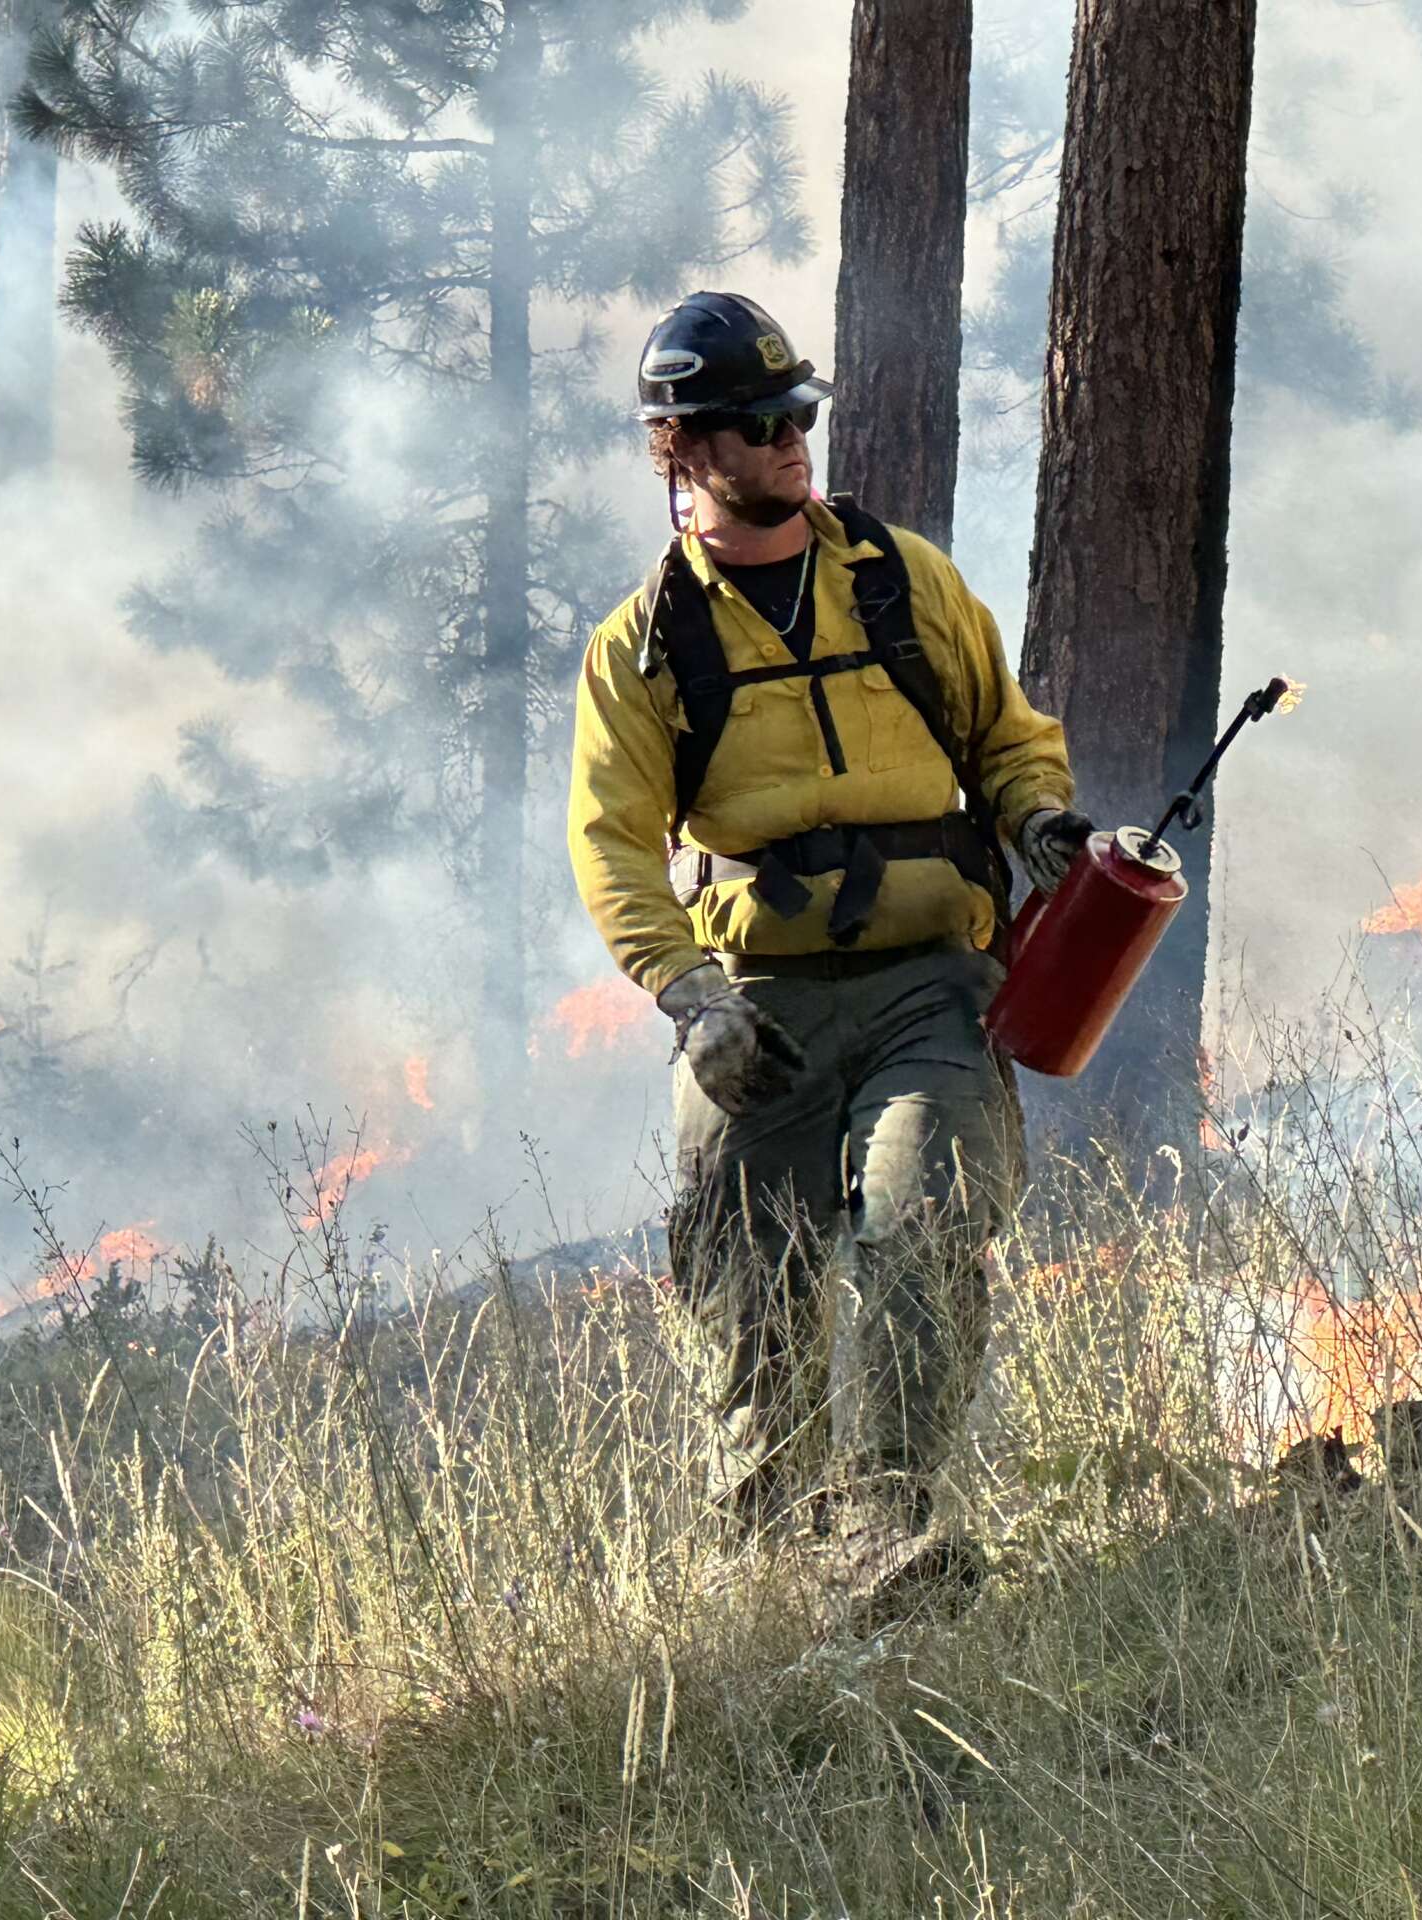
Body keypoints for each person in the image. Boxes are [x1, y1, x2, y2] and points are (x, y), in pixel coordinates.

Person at [565, 291, 1092, 1614]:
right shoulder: (643, 648)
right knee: (749, 1294)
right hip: (758, 1010)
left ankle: (892, 1538)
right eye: (757, 422)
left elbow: (1007, 735)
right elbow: (613, 847)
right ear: (685, 447)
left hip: (933, 988)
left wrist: (1036, 816)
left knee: (926, 1221)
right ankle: (768, 1580)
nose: (790, 437)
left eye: (797, 410)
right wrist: (693, 999)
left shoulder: (904, 583)